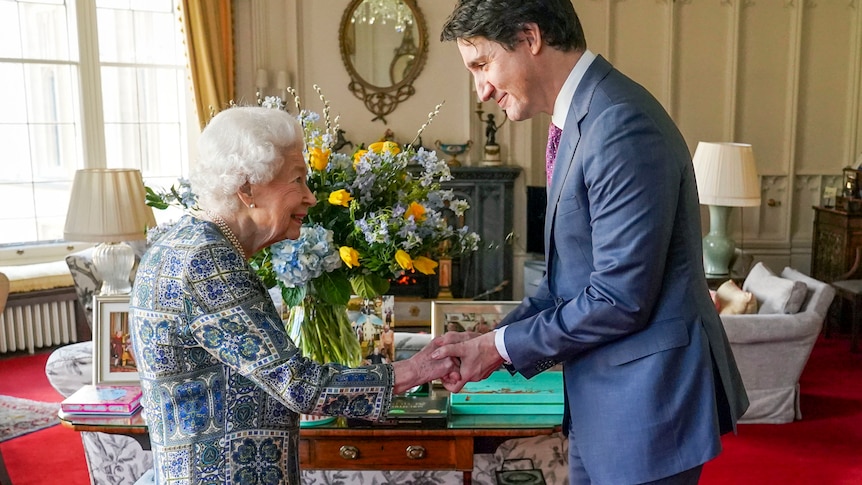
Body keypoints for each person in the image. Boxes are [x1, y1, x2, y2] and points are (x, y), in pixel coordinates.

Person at [434, 2, 750, 484]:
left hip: (647, 407)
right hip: (605, 404)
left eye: (482, 64)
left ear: (530, 37)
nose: (481, 90)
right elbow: (566, 283)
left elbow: (619, 299)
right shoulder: (582, 117)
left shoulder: (620, 122)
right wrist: (485, 341)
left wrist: (497, 348)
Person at [127, 106, 458, 484]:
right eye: (298, 180)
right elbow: (298, 384)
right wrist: (414, 370)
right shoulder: (207, 263)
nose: (311, 198)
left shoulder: (184, 243)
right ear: (247, 188)